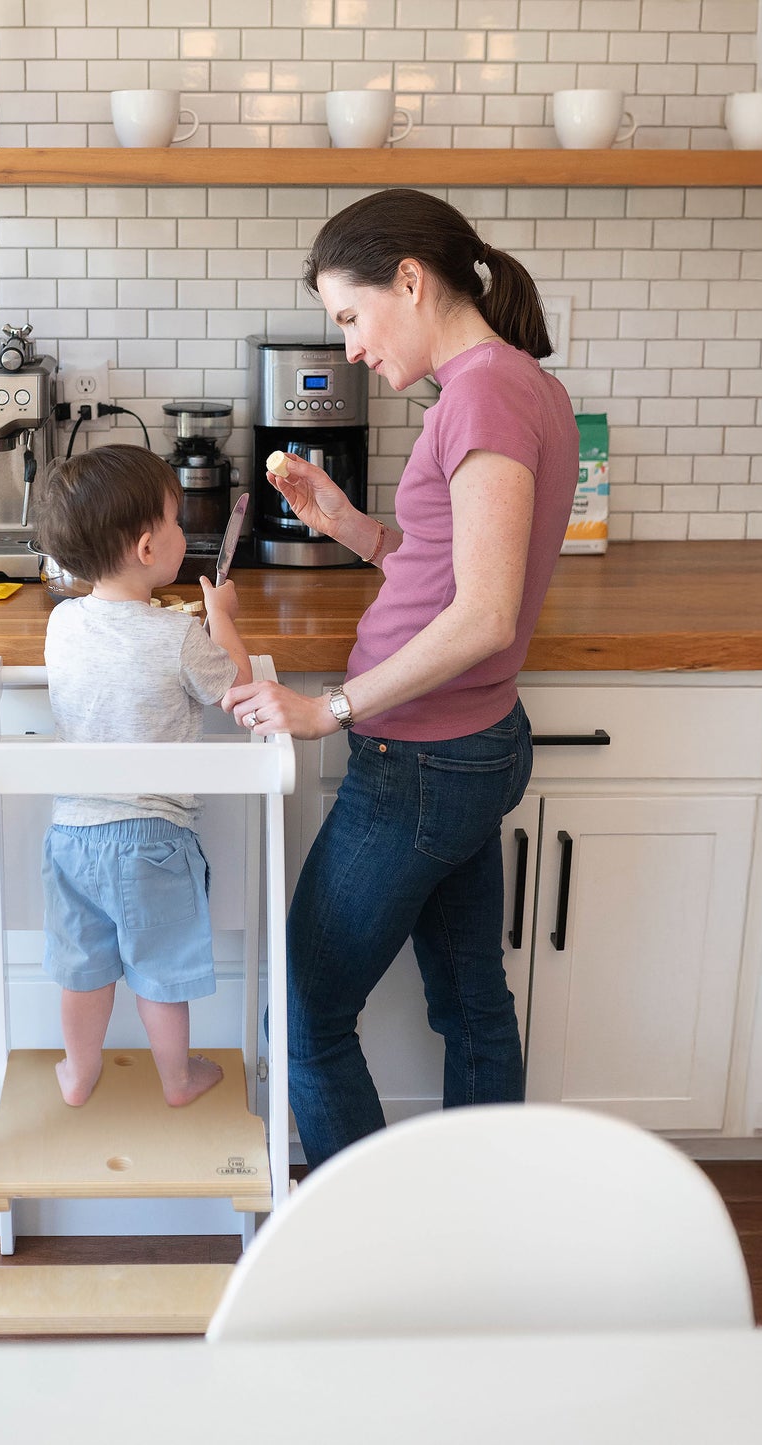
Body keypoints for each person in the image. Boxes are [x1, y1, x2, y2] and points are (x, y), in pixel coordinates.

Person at [223, 188, 580, 1169]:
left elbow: (481, 614)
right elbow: (442, 566)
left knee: (304, 1008)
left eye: (349, 315)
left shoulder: (482, 393)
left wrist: (328, 708)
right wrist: (347, 524)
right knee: (469, 1001)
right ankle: (470, 1226)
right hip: (466, 746)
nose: (346, 350)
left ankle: (367, 1244)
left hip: (418, 758)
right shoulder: (513, 382)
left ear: (409, 281)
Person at [36, 444, 253, 1108]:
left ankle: (77, 1073)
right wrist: (222, 618)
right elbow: (241, 690)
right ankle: (177, 1079)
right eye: (176, 519)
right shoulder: (177, 637)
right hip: (151, 840)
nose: (185, 531)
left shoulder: (62, 622)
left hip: (72, 836)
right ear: (146, 547)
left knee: (84, 969)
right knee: (158, 973)